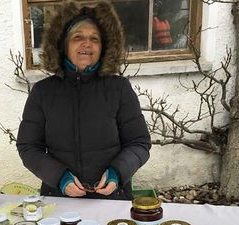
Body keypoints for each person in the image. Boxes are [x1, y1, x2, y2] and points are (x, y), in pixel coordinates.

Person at [16, 1, 151, 200]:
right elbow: (28, 146)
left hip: (112, 198)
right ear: (63, 46)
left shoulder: (119, 89)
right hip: (60, 198)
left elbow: (139, 143)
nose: (86, 43)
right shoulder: (43, 92)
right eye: (78, 37)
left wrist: (117, 173)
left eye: (94, 39)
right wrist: (60, 178)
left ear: (103, 48)